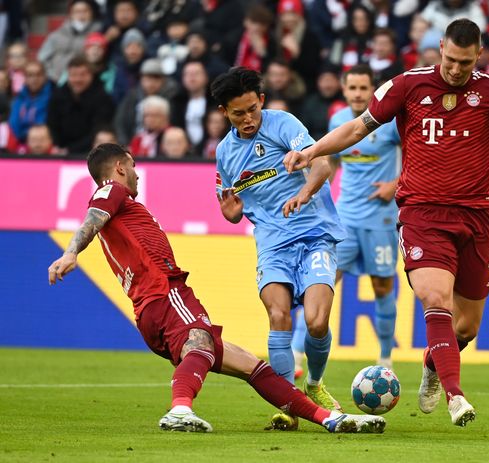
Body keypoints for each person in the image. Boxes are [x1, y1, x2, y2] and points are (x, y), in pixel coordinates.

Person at [284, 18, 489, 427]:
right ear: (440, 48)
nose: (456, 70)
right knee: (434, 298)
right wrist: (313, 151)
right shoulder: (406, 85)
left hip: (477, 218)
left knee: (467, 325)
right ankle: (456, 396)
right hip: (422, 213)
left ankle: (433, 366)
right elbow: (355, 127)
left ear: (479, 55)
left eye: (465, 62)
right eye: (451, 60)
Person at [47, 143, 385, 435]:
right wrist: (71, 252)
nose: (136, 174)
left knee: (251, 365)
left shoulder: (123, 205)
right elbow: (94, 216)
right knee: (202, 341)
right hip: (165, 293)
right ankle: (180, 410)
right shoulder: (111, 189)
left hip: (150, 308)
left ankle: (329, 418)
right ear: (120, 167)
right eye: (133, 166)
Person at [212, 67, 346, 430]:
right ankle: (289, 403)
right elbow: (233, 205)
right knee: (278, 317)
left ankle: (314, 385)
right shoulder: (225, 153)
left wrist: (303, 193)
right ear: (224, 112)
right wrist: (231, 214)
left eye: (253, 109)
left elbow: (323, 163)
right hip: (272, 243)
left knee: (317, 322)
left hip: (315, 233)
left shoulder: (282, 124)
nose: (248, 118)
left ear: (262, 102)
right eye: (239, 113)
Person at [328, 64, 401, 369]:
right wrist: (318, 198)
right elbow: (331, 161)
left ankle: (385, 355)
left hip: (382, 219)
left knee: (382, 286)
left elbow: (419, 153)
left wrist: (396, 184)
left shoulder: (391, 121)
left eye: (363, 88)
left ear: (373, 89)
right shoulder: (338, 119)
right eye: (352, 88)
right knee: (325, 281)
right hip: (345, 217)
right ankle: (297, 351)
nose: (358, 94)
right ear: (344, 90)